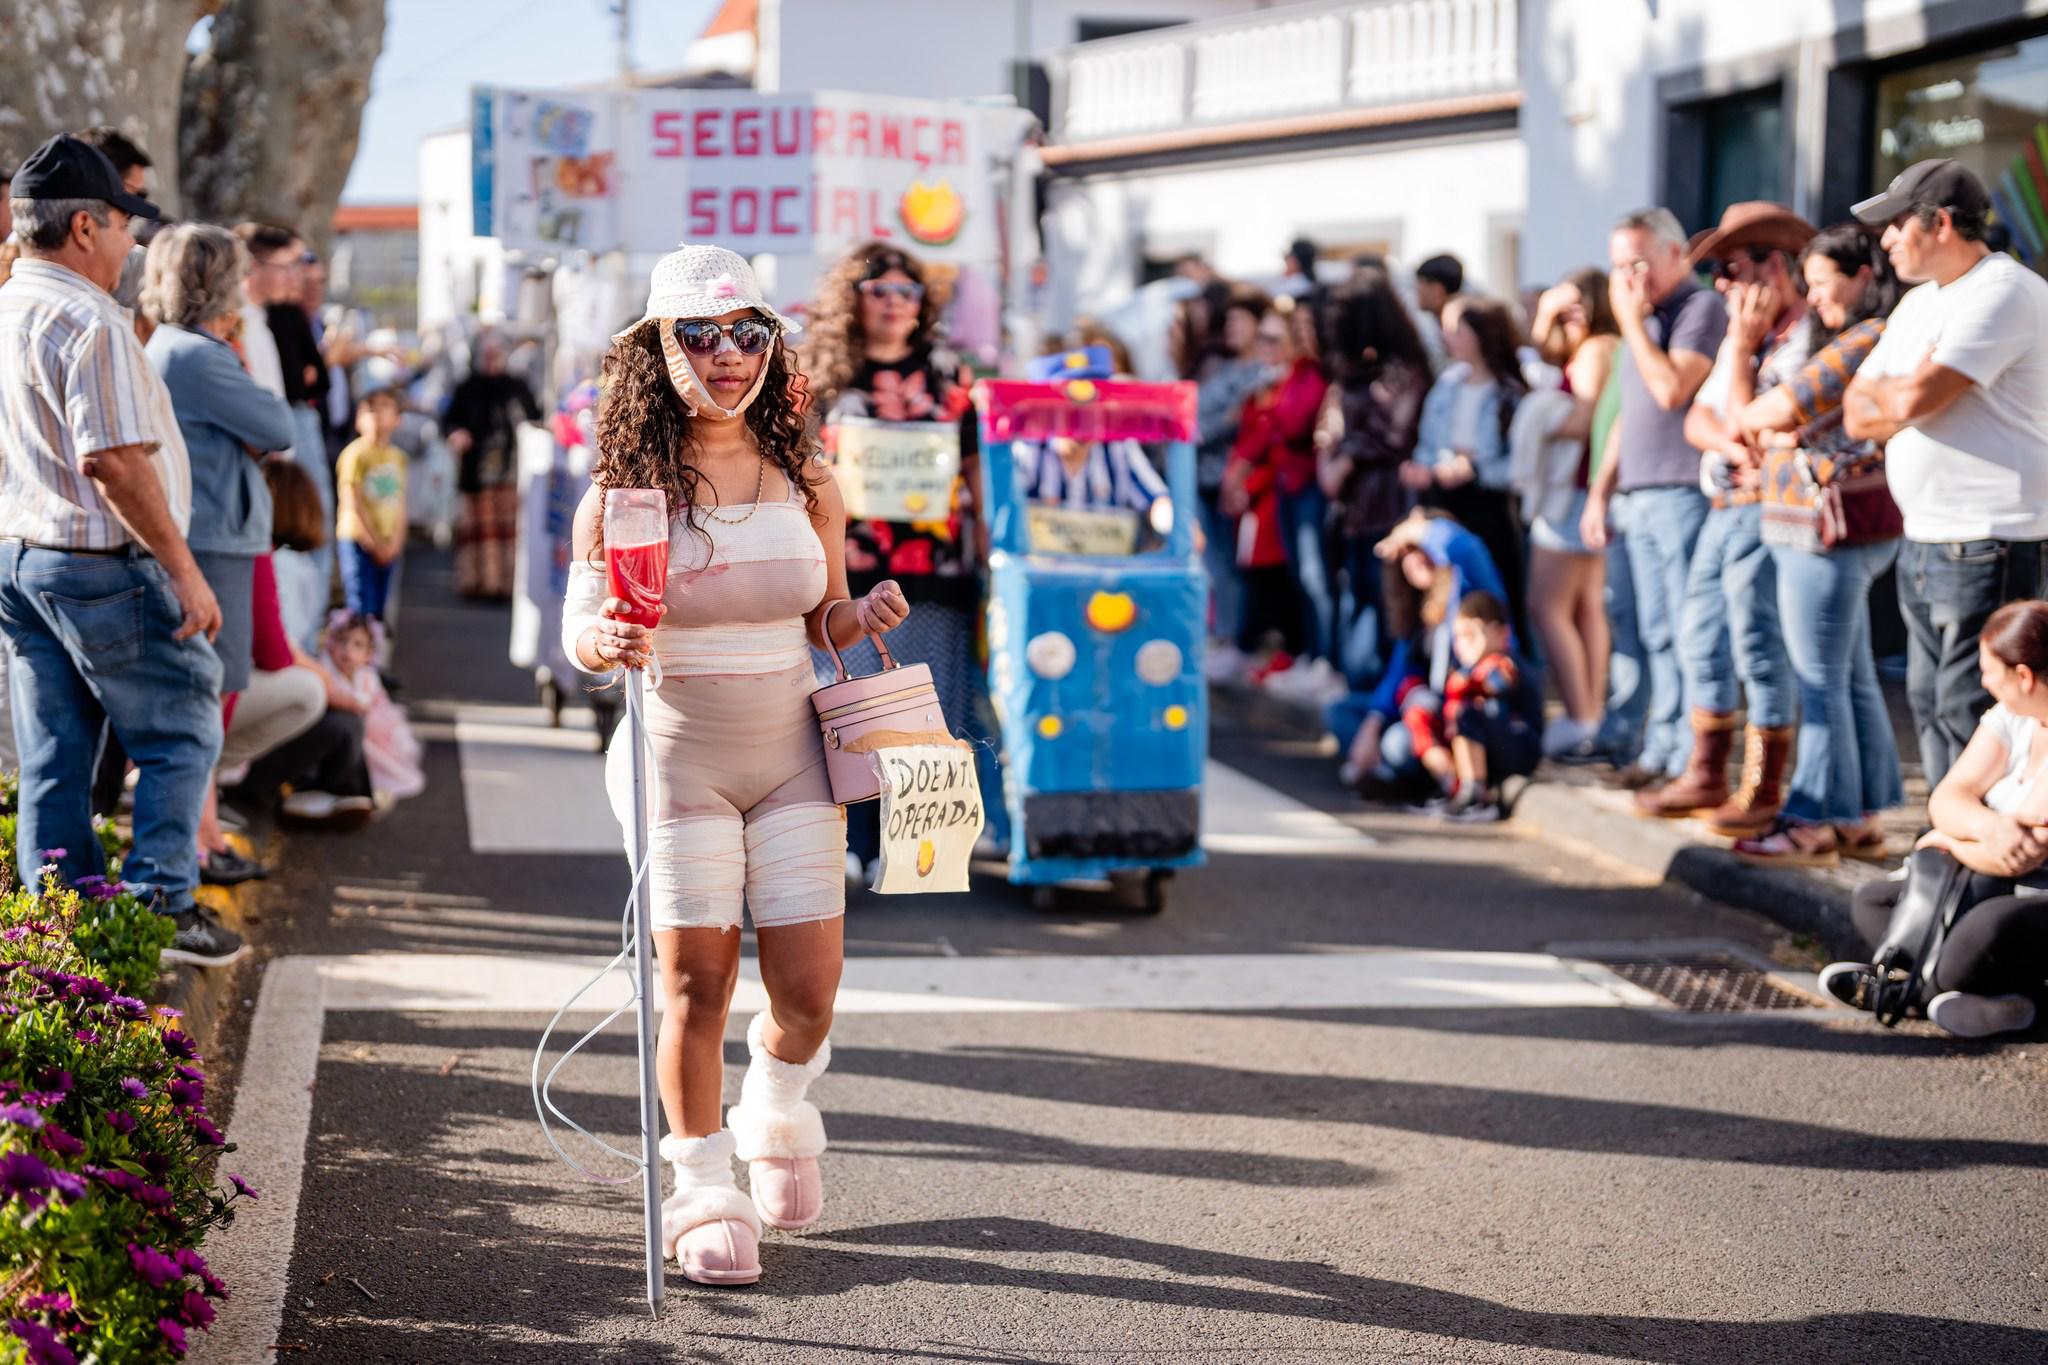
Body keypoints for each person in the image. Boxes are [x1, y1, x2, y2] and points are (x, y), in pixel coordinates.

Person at [561, 244, 910, 1287]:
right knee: (692, 985)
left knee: (808, 992)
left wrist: (868, 615)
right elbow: (584, 626)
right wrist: (603, 643)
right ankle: (702, 1184)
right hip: (676, 758)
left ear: (772, 346)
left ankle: (777, 1105)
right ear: (657, 350)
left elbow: (825, 617)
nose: (727, 354)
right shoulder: (624, 492)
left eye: (747, 333)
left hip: (793, 749)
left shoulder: (806, 477)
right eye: (701, 334)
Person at [0, 134, 242, 967]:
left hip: (22, 558)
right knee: (181, 727)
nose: (132, 242)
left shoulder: (7, 305)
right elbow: (112, 462)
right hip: (96, 558)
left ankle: (59, 921)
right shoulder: (85, 319)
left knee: (56, 751)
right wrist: (185, 571)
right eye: (120, 224)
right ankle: (161, 906)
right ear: (81, 229)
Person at [1844, 159, 2048, 788]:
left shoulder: (2002, 290)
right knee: (1932, 706)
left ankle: (1982, 862)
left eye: (1896, 224)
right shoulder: (1920, 305)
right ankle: (1946, 845)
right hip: (1931, 537)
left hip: (1989, 538)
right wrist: (1904, 392)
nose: (1884, 240)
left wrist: (1900, 393)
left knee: (1973, 712)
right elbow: (1855, 410)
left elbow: (1905, 404)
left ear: (1939, 224)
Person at [803, 242, 986, 882]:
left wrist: (993, 551)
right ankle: (849, 841)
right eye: (879, 289)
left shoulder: (952, 375)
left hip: (935, 571)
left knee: (925, 714)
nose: (893, 302)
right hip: (849, 571)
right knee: (849, 710)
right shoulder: (821, 375)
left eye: (907, 292)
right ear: (852, 299)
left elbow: (975, 469)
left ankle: (915, 847)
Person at [1724, 223, 1906, 863]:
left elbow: (1769, 413)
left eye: (1826, 284)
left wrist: (1747, 366)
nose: (1818, 298)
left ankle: (1811, 818)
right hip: (1832, 529)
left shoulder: (1868, 335)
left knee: (1819, 678)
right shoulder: (1869, 335)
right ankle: (1858, 812)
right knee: (1849, 676)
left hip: (1822, 533)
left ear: (1863, 277)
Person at [1633, 205, 1815, 831]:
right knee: (1698, 634)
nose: (1722, 284)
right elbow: (1698, 419)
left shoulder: (1803, 336)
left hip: (1766, 513)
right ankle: (1707, 772)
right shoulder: (1755, 337)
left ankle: (1762, 787)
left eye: (1733, 268)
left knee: (1758, 644)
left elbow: (1738, 414)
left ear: (1774, 266)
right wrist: (1730, 438)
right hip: (1725, 506)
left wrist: (1737, 352)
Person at [141, 221, 298, 885]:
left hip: (206, 531)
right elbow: (278, 425)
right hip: (215, 541)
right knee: (212, 692)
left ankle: (203, 833)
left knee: (212, 692)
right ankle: (198, 843)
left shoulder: (170, 347)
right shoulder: (202, 355)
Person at [1818, 600, 2048, 1037]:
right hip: (1983, 876)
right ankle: (1966, 999)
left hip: (2031, 890)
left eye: (1989, 670)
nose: (1982, 681)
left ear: (2023, 676)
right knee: (1871, 900)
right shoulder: (2013, 716)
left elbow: (2021, 857)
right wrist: (1987, 826)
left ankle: (1915, 997)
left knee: (1983, 931)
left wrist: (1949, 837)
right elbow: (1946, 797)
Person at [1582, 207, 1729, 784]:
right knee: (1651, 630)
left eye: (1639, 262)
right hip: (1636, 492)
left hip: (1680, 488)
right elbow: (1626, 418)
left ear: (1676, 254)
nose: (1629, 278)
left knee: (1688, 630)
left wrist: (1630, 323)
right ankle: (1660, 750)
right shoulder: (1641, 321)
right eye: (1619, 266)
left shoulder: (1699, 309)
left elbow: (1671, 389)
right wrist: (1600, 492)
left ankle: (1691, 757)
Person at [223, 457, 378, 829]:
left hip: (234, 689)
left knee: (339, 716)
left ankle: (333, 793)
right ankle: (306, 793)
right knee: (320, 701)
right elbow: (275, 650)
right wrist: (327, 682)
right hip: (230, 692)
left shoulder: (265, 554)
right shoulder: (267, 557)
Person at [1331, 509, 1505, 796]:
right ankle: (1386, 767)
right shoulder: (1415, 609)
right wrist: (1373, 723)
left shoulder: (1467, 588)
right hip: (1419, 708)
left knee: (1397, 743)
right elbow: (1398, 676)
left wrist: (1416, 530)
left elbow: (1465, 547)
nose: (1415, 559)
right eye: (1407, 552)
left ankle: (1413, 774)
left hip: (1463, 713)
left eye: (1421, 549)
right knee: (1341, 712)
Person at [1318, 264, 1432, 688]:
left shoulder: (1400, 372)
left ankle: (1383, 695)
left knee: (1386, 607)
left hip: (1387, 507)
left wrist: (1345, 457)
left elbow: (1392, 435)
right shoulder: (1356, 372)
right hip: (1354, 508)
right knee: (1359, 600)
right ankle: (1362, 692)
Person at [1521, 268, 1620, 756]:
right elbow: (1543, 352)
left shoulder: (1595, 350)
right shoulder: (1598, 347)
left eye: (1577, 304)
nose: (1568, 315)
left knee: (1549, 607)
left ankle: (1582, 715)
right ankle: (1588, 715)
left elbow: (1581, 420)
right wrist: (1545, 314)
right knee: (1583, 609)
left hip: (1573, 494)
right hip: (1587, 492)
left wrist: (1537, 421)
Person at [1405, 296, 1531, 641]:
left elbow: (1519, 465)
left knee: (1493, 588)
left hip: (1489, 504)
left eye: (1456, 329)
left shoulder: (1510, 393)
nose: (1448, 338)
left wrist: (1475, 469)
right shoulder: (1446, 386)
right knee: (1442, 589)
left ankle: (1504, 661)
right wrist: (1425, 469)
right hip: (1444, 499)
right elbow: (1428, 442)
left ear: (1481, 333)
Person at [1237, 300, 1335, 697]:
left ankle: (1326, 658)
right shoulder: (1293, 375)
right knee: (1301, 576)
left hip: (1309, 484)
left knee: (1316, 577)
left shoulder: (1316, 376)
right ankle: (1312, 654)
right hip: (1289, 483)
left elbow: (1292, 423)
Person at [1189, 287, 1273, 677]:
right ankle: (1224, 634)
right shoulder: (1223, 368)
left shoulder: (1261, 375)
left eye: (1243, 321)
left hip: (1237, 480)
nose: (1234, 329)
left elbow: (1228, 421)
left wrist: (1209, 426)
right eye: (1231, 321)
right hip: (1205, 476)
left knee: (1235, 564)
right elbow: (1201, 413)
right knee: (1216, 561)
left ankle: (1239, 638)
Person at [1403, 589, 1542, 824]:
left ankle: (1476, 795)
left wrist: (1464, 683)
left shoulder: (1504, 663)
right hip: (1489, 745)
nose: (1462, 645)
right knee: (1422, 716)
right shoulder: (1464, 667)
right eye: (1458, 637)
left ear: (1501, 633)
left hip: (1518, 746)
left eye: (1470, 635)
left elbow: (1495, 682)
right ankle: (1452, 785)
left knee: (1465, 714)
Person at [442, 330, 541, 599]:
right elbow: (449, 420)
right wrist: (456, 434)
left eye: (496, 354)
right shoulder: (467, 386)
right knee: (478, 530)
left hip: (510, 468)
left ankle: (505, 584)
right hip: (477, 468)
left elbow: (535, 417)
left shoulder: (517, 386)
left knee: (507, 530)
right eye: (487, 354)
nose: (492, 359)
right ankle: (477, 583)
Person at [317, 612, 421, 802]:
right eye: (342, 641)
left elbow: (370, 702)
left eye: (357, 645)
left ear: (368, 654)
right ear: (331, 644)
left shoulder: (367, 677)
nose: (347, 650)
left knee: (372, 755)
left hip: (370, 729)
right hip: (348, 728)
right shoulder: (326, 672)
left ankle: (366, 787)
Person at [334, 387, 408, 622]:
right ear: (358, 419)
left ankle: (372, 653)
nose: (376, 413)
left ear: (398, 419)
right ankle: (357, 654)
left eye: (384, 406)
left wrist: (395, 542)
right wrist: (372, 542)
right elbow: (352, 502)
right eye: (370, 408)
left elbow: (401, 504)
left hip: (387, 543)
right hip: (359, 541)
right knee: (360, 604)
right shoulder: (355, 455)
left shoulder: (398, 458)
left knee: (379, 606)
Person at [1413, 253, 1464, 374]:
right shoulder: (1440, 321)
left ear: (1437, 289)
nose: (1416, 289)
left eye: (1421, 282)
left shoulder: (1460, 324)